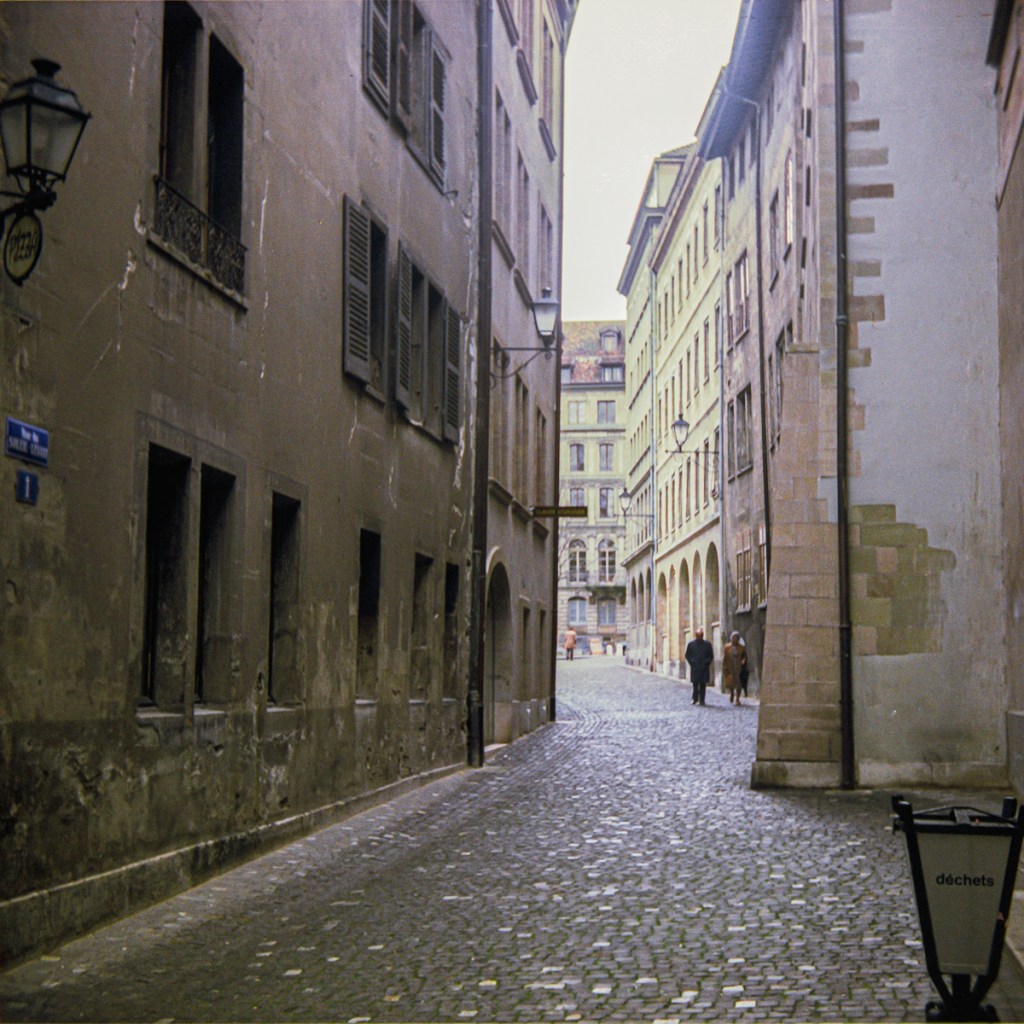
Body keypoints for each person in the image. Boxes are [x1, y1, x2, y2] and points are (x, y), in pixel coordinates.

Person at [684, 627, 714, 705]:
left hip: (704, 668)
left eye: (701, 635)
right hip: (695, 667)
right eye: (698, 635)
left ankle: (702, 700)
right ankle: (695, 698)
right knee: (695, 684)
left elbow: (710, 655)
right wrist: (692, 662)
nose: (700, 637)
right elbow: (687, 655)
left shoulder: (707, 644)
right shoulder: (691, 644)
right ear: (696, 635)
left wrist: (707, 662)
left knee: (703, 684)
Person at [722, 631, 748, 705]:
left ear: (738, 639)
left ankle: (737, 699)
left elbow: (745, 656)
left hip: (738, 667)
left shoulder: (742, 647)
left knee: (739, 683)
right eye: (733, 638)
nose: (734, 639)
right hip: (730, 666)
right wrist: (724, 667)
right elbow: (725, 658)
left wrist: (743, 661)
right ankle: (732, 693)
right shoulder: (727, 647)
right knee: (731, 682)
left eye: (735, 638)